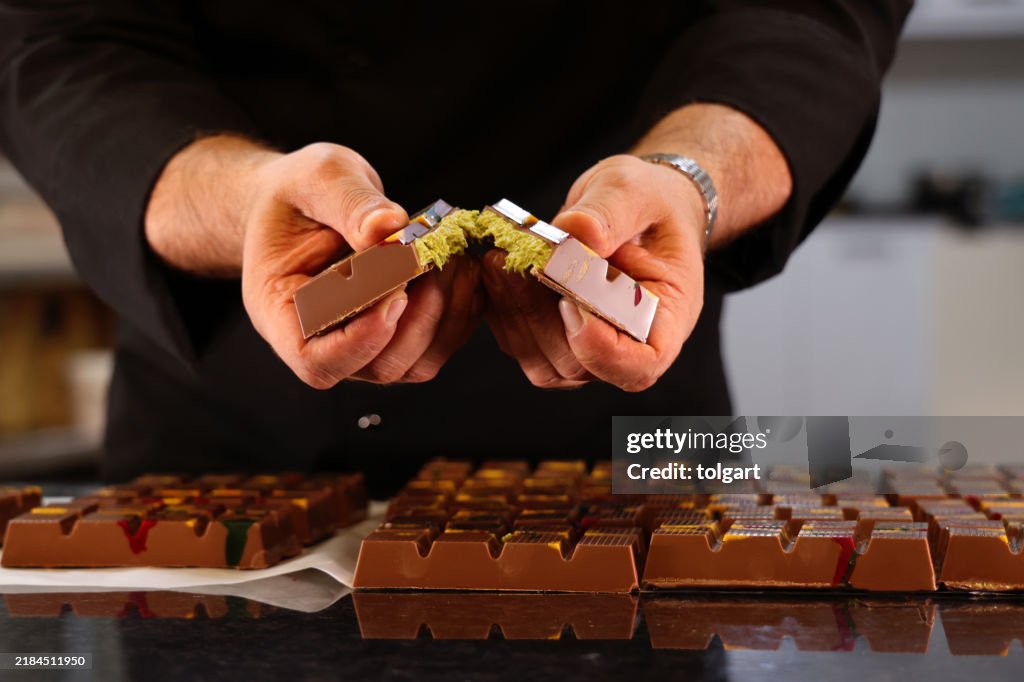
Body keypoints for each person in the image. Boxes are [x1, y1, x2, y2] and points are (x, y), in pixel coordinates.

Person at [0, 1, 910, 495]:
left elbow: (806, 14)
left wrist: (689, 178)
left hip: (628, 409)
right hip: (236, 423)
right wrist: (246, 204)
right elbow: (66, 43)